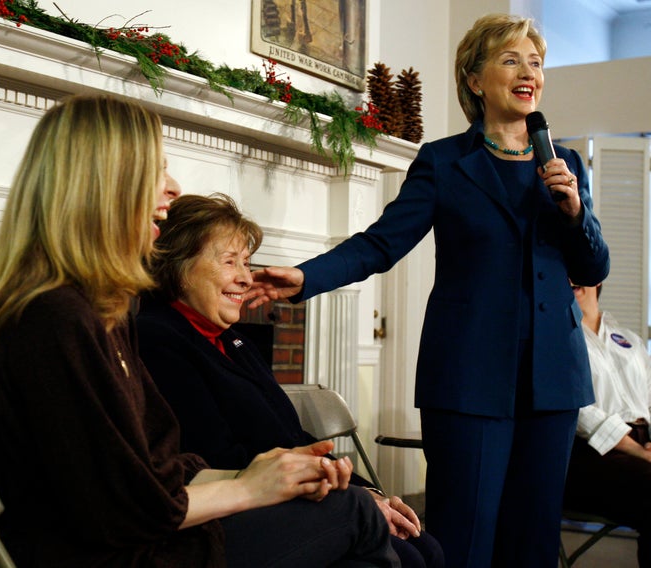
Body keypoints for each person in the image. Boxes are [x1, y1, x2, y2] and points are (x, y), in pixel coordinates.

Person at [0, 94, 402, 567]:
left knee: (360, 521)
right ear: (102, 184)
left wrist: (267, 473)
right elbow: (121, 514)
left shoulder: (100, 314)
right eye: (157, 169)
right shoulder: (55, 321)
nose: (171, 188)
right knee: (356, 517)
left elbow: (159, 467)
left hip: (153, 534)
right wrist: (251, 488)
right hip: (127, 554)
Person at [248, 13, 610, 568]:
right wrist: (306, 277)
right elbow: (381, 243)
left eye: (535, 62)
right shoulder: (444, 162)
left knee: (533, 544)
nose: (527, 72)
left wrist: (575, 210)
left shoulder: (566, 164)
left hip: (553, 380)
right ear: (474, 78)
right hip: (469, 380)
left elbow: (593, 264)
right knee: (464, 540)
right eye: (510, 60)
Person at [136, 192, 445, 568]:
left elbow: (293, 437)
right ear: (178, 265)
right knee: (402, 556)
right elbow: (213, 457)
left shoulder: (234, 341)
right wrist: (344, 494)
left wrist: (372, 492)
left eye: (247, 263)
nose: (245, 278)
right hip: (228, 515)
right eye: (229, 261)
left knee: (425, 545)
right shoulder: (157, 339)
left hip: (286, 494)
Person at [564, 282, 651, 567]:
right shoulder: (559, 338)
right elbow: (577, 409)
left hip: (643, 446)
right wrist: (638, 451)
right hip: (589, 455)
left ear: (597, 279)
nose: (572, 280)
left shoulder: (629, 339)